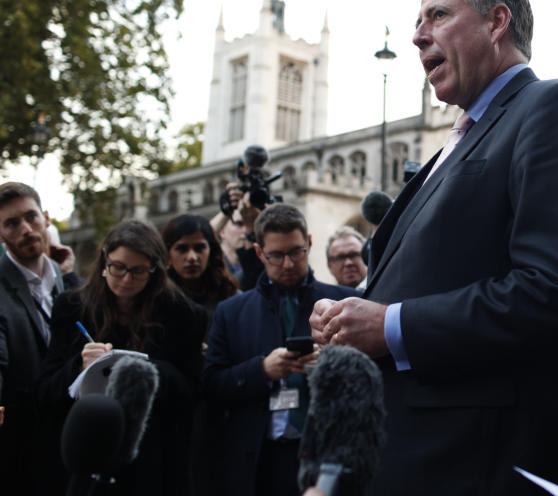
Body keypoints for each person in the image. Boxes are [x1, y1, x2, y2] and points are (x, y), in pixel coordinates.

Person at [310, 0, 558, 495]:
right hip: (410, 457)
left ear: (497, 21)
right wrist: (351, 317)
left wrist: (390, 326)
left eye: (438, 15)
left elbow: (557, 290)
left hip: (485, 464)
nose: (416, 36)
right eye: (418, 21)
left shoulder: (553, 107)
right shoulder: (450, 148)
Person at [35, 219, 206, 496]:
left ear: (155, 271)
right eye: (118, 267)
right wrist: (79, 365)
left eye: (138, 271)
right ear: (104, 262)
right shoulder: (72, 308)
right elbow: (45, 392)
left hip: (153, 460)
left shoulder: (182, 314)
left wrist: (144, 370)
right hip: (87, 456)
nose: (126, 279)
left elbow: (192, 392)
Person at [202, 204, 358, 496]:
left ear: (309, 244)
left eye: (296, 252)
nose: (287, 264)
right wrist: (261, 370)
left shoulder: (348, 303)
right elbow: (211, 384)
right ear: (260, 253)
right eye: (276, 255)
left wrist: (334, 363)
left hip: (327, 457)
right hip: (257, 459)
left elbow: (372, 380)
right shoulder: (231, 312)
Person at [0, 182, 69, 494]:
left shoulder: (67, 282)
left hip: (68, 443)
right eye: (12, 223)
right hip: (16, 451)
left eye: (31, 217)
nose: (26, 229)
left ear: (47, 218)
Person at [161, 213, 238, 318]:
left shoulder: (230, 295)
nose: (192, 257)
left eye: (199, 248)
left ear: (211, 251)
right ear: (168, 254)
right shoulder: (155, 298)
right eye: (182, 249)